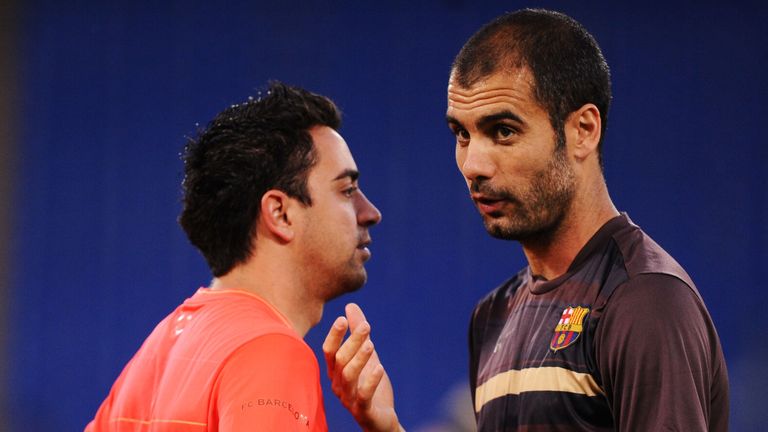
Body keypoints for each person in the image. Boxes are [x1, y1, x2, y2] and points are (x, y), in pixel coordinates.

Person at [326, 8, 729, 432]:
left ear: (583, 130)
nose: (473, 164)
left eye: (502, 131)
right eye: (461, 134)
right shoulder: (493, 315)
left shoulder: (643, 303)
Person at [85, 81, 400, 431]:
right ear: (280, 214)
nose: (370, 212)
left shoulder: (154, 353)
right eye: (347, 190)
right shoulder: (270, 352)